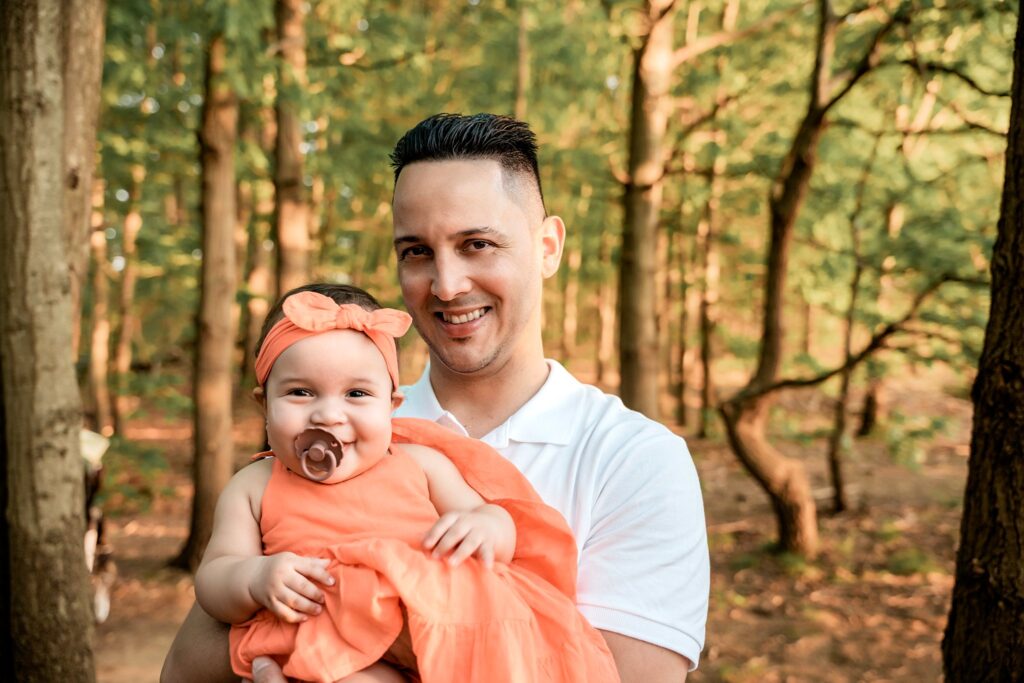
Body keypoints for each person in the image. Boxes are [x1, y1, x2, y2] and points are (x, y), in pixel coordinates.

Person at [161, 113, 708, 683]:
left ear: (547, 246)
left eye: (478, 244)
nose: (446, 285)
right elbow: (183, 668)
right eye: (417, 251)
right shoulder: (347, 436)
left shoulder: (635, 460)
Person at [195, 284, 617, 682]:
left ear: (391, 406)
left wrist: (490, 525)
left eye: (356, 394)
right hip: (336, 649)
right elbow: (215, 576)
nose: (328, 415)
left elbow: (495, 523)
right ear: (263, 405)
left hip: (447, 637)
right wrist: (255, 578)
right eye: (301, 393)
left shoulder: (420, 464)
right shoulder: (253, 486)